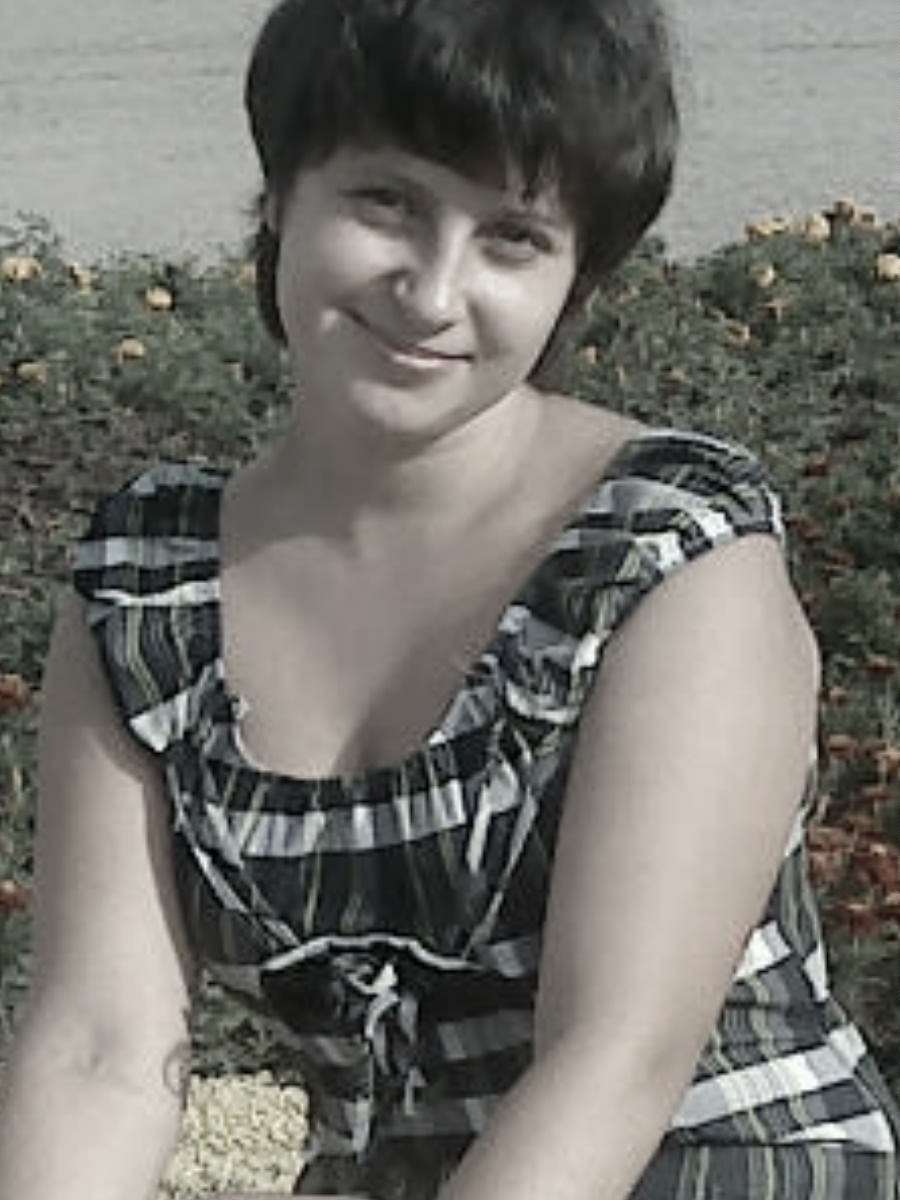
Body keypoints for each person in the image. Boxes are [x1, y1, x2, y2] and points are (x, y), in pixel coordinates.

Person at [0, 0, 898, 1197]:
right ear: (282, 196)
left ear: (576, 275)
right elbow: (101, 1050)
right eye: (387, 201)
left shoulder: (668, 550)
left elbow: (615, 1061)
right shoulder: (145, 586)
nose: (432, 290)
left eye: (513, 237)